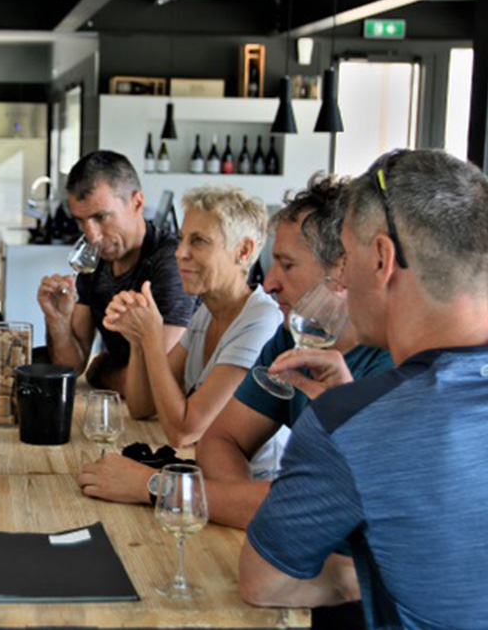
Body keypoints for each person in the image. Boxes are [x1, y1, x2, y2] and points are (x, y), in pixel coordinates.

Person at [239, 149, 488, 627]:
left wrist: (353, 574)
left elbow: (263, 582)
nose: (342, 279)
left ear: (381, 259)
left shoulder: (351, 421)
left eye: (347, 259)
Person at [194, 173, 392, 530]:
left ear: (343, 267)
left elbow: (324, 507)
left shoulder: (391, 365)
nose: (269, 283)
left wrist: (154, 487)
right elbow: (220, 439)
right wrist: (242, 503)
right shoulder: (294, 336)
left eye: (287, 264)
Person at [77, 186, 282, 505]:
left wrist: (151, 338)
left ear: (243, 251)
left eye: (198, 241)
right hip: (200, 486)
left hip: (244, 503)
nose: (179, 252)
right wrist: (137, 340)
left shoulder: (262, 320)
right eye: (182, 238)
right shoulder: (207, 312)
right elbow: (141, 407)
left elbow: (184, 431)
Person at [37, 151, 195, 394]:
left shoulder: (169, 263)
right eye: (81, 221)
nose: (92, 235)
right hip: (127, 411)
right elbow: (72, 366)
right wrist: (57, 320)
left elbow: (157, 383)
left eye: (101, 217)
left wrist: (101, 371)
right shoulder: (95, 262)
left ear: (137, 203)